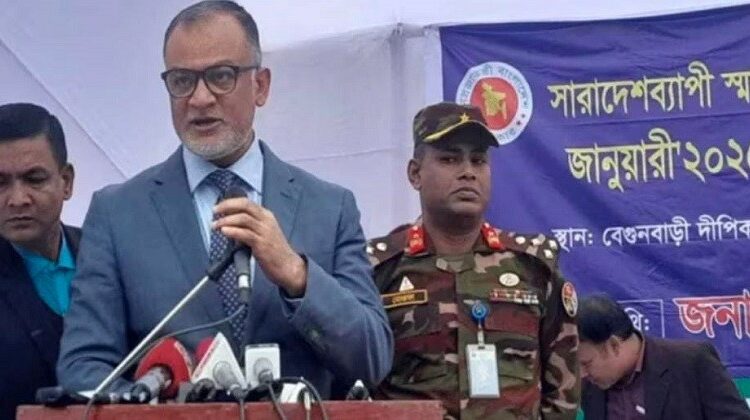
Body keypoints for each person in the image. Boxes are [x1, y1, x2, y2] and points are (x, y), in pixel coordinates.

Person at [57, 0, 392, 397]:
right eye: (182, 80)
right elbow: (83, 368)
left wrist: (297, 275)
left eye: (221, 76)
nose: (200, 98)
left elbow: (372, 360)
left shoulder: (330, 208)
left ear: (261, 86)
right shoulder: (117, 214)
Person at [367, 101, 580, 419]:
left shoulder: (533, 267)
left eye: (478, 160)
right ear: (415, 173)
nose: (467, 172)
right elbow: (355, 386)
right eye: (449, 159)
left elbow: (563, 393)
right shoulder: (377, 270)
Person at [0, 103, 77, 419]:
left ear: (66, 181)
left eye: (34, 179)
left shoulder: (110, 256)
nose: (17, 199)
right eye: (0, 183)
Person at [578, 294, 750, 420]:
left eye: (586, 363)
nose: (582, 374)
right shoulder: (591, 386)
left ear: (614, 345)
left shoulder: (691, 362)